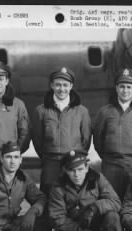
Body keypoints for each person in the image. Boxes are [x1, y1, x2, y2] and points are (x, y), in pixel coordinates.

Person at [48, 150, 127, 231]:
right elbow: (57, 218)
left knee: (112, 216)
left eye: (80, 169)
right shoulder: (59, 186)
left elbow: (115, 202)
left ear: (86, 168)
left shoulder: (97, 178)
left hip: (96, 224)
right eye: (71, 170)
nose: (76, 174)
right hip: (74, 227)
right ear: (65, 170)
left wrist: (95, 207)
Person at [93, 68, 132, 199]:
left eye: (129, 87)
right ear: (116, 88)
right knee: (110, 202)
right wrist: (108, 157)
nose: (125, 90)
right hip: (111, 166)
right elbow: (98, 140)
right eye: (122, 86)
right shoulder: (104, 112)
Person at [31, 66, 92, 196]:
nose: (61, 89)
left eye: (65, 85)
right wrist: (48, 156)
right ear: (52, 85)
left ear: (71, 86)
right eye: (58, 85)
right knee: (48, 199)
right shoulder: (41, 111)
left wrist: (76, 157)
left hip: (73, 163)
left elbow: (86, 139)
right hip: (50, 163)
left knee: (73, 198)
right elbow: (37, 139)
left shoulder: (82, 112)